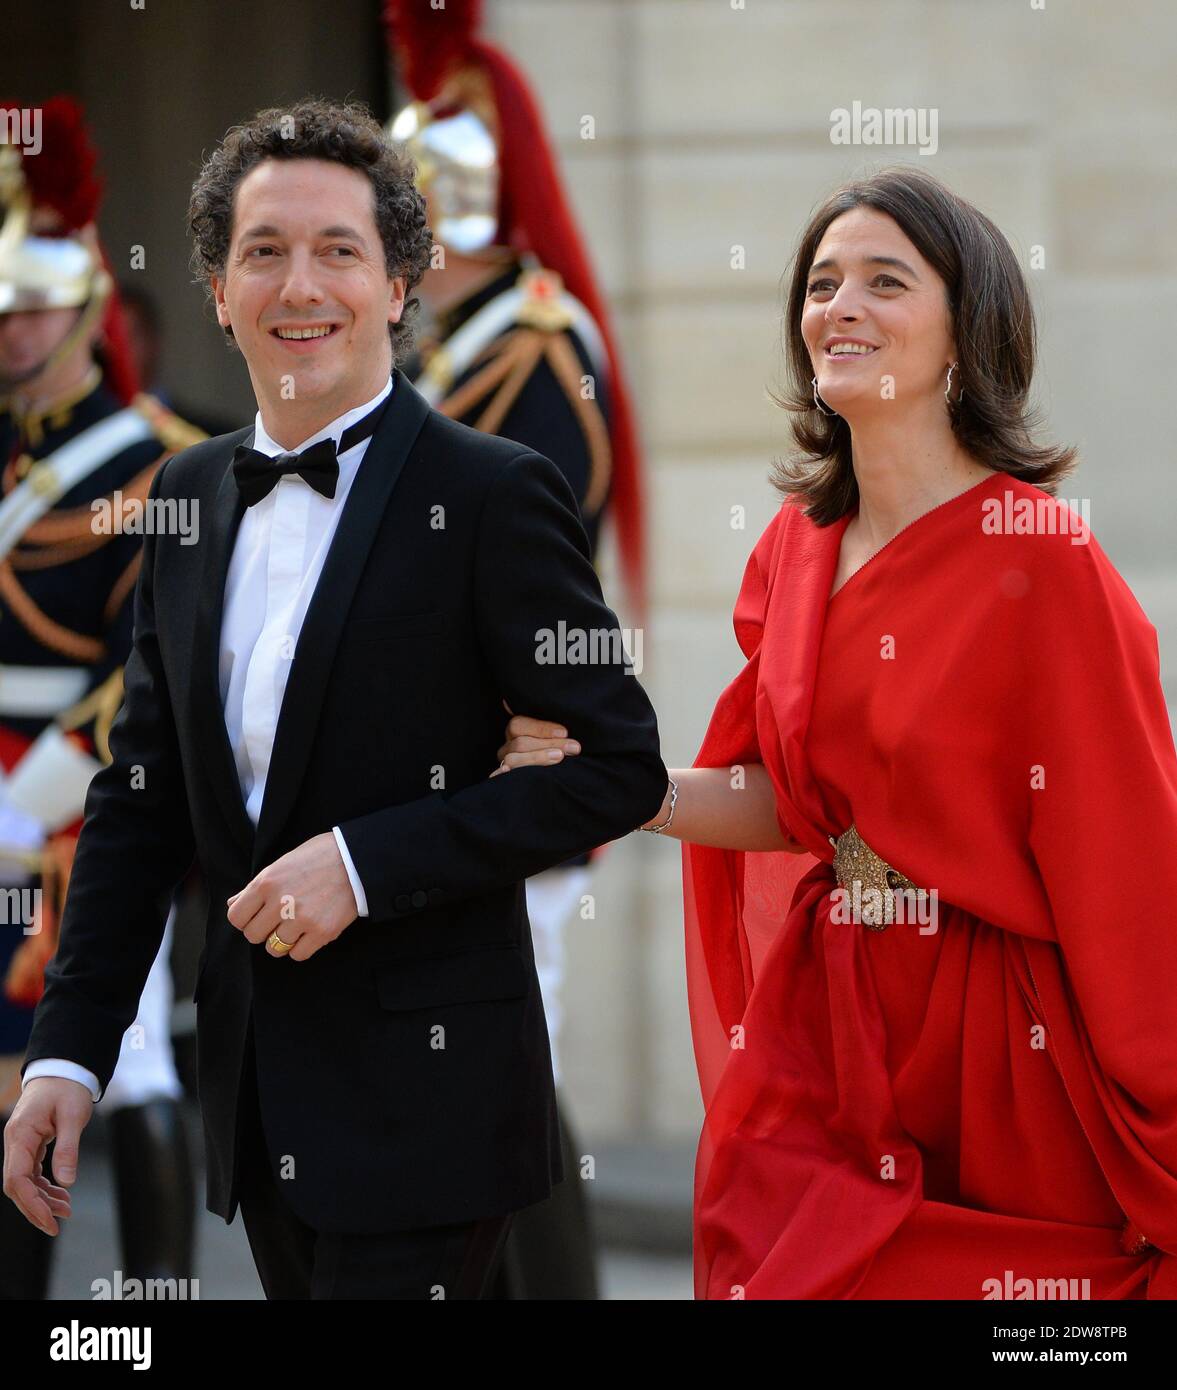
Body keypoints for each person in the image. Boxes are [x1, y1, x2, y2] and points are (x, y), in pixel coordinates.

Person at [2, 98, 666, 1302]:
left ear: (401, 282)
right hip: (260, 1109)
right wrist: (70, 1051)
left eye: (339, 251)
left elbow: (616, 769)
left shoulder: (493, 492)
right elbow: (138, 803)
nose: (299, 285)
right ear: (216, 287)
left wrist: (363, 863)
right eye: (264, 251)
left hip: (437, 1108)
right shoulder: (189, 493)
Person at [496, 164, 1177, 1299]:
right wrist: (618, 782)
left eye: (883, 281)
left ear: (967, 332)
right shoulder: (795, 547)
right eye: (820, 282)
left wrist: (1156, 1119)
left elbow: (1129, 864)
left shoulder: (1046, 564)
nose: (839, 306)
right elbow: (791, 799)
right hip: (831, 1020)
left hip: (998, 1049)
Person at [384, 0, 645, 1298]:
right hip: (442, 761)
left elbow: (535, 573)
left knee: (505, 1084)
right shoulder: (446, 343)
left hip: (512, 754)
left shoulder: (533, 347)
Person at [0, 96, 201, 1299]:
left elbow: (156, 657)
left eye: (35, 312)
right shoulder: (11, 461)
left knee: (123, 1065)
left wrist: (35, 790)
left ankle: (156, 1303)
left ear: (87, 312)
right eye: (2, 314)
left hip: (86, 801)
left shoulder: (159, 459)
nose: (16, 336)